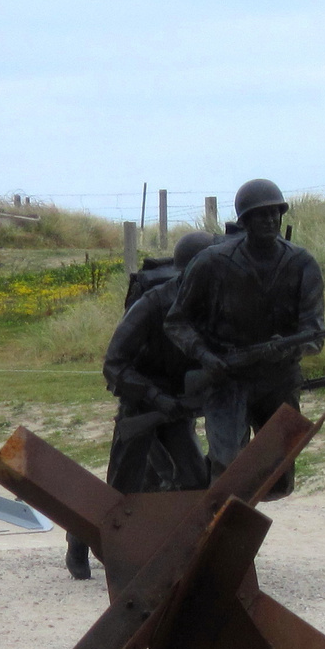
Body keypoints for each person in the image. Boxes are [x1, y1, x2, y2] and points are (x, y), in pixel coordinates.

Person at [64, 231, 217, 580]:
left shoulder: (214, 306)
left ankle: (173, 550)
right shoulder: (152, 304)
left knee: (194, 479)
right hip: (142, 405)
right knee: (120, 493)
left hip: (178, 406)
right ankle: (79, 535)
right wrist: (155, 397)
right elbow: (114, 365)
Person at [163, 179, 325, 499]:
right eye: (259, 214)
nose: (269, 220)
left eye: (274, 213)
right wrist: (206, 355)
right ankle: (215, 528)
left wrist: (291, 347)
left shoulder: (301, 263)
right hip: (227, 378)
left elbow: (315, 331)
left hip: (278, 378)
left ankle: (215, 499)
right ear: (244, 221)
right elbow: (177, 321)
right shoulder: (212, 262)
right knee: (229, 473)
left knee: (277, 479)